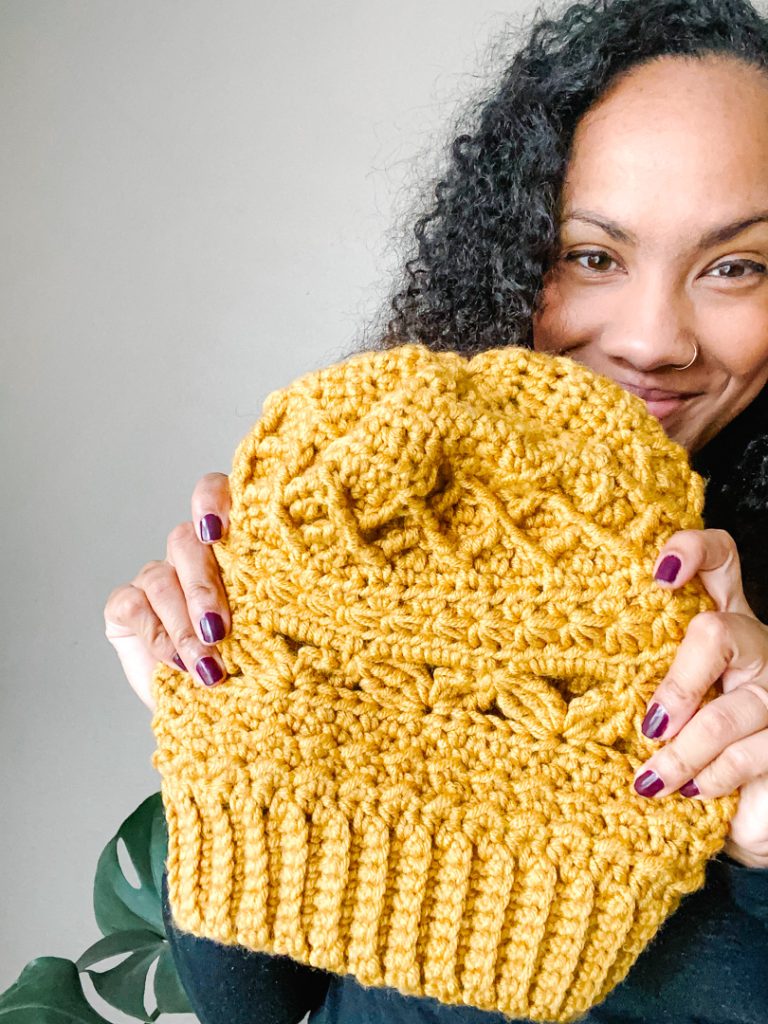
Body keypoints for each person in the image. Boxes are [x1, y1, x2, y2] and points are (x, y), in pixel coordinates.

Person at [104, 0, 768, 1021]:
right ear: (506, 245)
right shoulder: (371, 517)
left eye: (736, 266)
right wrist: (233, 728)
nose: (652, 340)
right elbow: (259, 1009)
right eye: (592, 254)